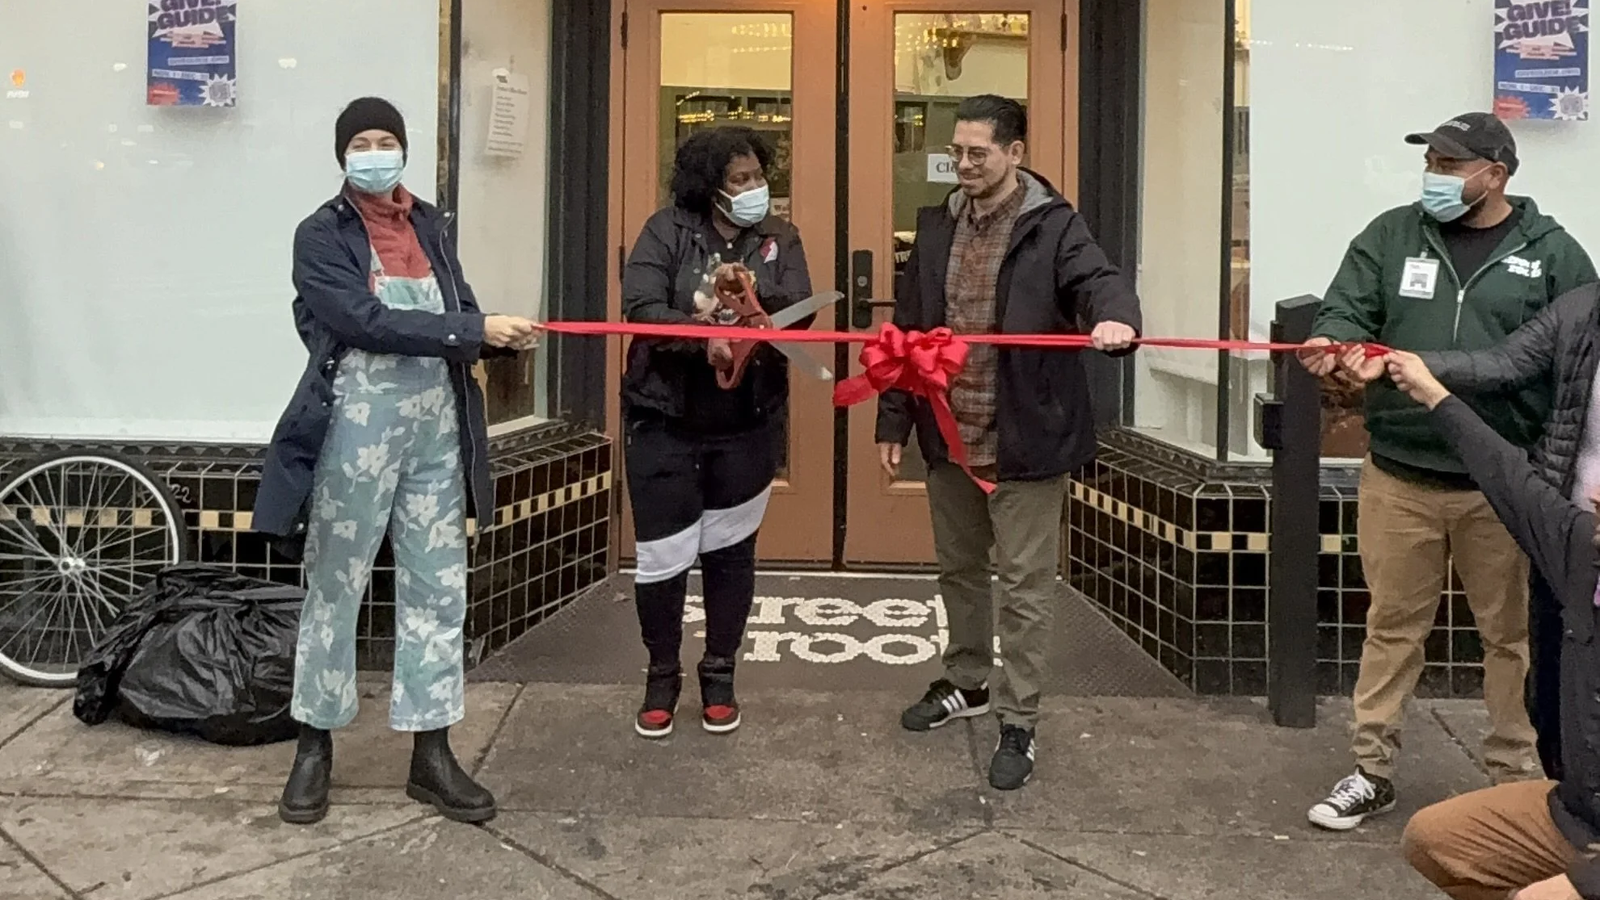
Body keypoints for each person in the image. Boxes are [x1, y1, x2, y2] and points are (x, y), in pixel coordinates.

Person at [1299, 112, 1595, 831]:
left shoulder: (1555, 255)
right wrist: (1334, 344)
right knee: (1392, 625)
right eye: (1430, 162)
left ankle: (1516, 780)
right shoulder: (1392, 235)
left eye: (1450, 164)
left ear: (1495, 174)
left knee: (1511, 639)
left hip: (1504, 486)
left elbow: (1565, 370)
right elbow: (1346, 309)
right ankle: (1372, 768)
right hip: (1400, 472)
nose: (1433, 176)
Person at [254, 97, 537, 825]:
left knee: (439, 588)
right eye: (362, 142)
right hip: (354, 425)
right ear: (342, 155)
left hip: (436, 430)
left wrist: (494, 335)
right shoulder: (319, 234)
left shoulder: (431, 223)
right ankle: (313, 745)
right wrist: (469, 328)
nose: (376, 152)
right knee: (334, 586)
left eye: (387, 140)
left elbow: (454, 308)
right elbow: (362, 320)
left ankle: (432, 752)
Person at [876, 94, 1141, 791]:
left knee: (1025, 587)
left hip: (1026, 436)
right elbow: (907, 326)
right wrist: (893, 421)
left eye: (977, 154)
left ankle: (1019, 717)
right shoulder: (937, 224)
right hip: (948, 432)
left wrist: (1115, 321)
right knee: (959, 571)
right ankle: (967, 681)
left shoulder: (1053, 225)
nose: (962, 165)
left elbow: (1099, 282)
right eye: (956, 153)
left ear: (1015, 153)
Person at [620, 126, 814, 739]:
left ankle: (721, 675)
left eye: (760, 177)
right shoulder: (666, 231)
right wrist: (702, 335)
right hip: (664, 421)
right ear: (709, 187)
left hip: (746, 424)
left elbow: (799, 307)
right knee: (662, 558)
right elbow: (642, 308)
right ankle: (660, 676)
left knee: (730, 553)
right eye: (740, 180)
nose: (755, 189)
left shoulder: (779, 237)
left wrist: (751, 313)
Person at [1383, 351, 1600, 900]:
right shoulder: (1582, 550)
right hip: (1580, 816)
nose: (1593, 494)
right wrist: (1432, 393)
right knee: (1437, 840)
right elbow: (1509, 478)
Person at [1404, 279, 1600, 784]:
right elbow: (1504, 363)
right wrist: (1412, 369)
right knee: (1553, 694)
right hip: (1568, 540)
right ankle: (1565, 812)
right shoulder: (1582, 308)